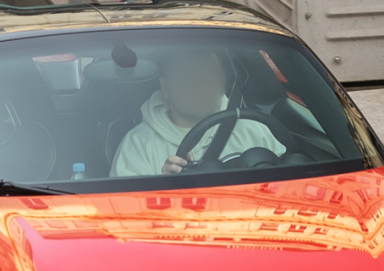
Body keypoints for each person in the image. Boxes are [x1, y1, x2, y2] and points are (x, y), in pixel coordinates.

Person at [110, 47, 282, 176]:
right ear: (165, 87)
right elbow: (130, 214)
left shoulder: (254, 130)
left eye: (208, 75)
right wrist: (164, 186)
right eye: (187, 76)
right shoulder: (138, 144)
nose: (199, 84)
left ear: (222, 83)